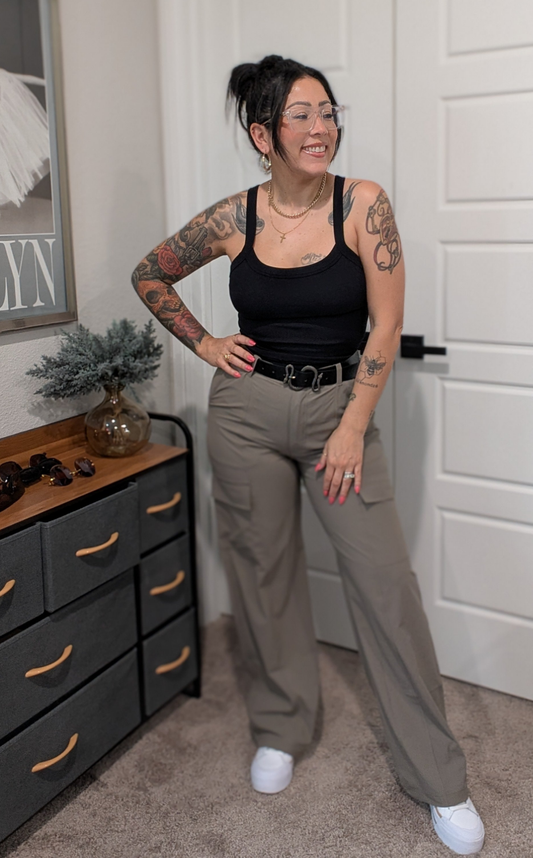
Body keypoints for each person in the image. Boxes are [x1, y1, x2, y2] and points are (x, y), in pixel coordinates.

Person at [132, 55, 484, 856]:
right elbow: (149, 273)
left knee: (384, 587)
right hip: (246, 413)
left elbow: (385, 325)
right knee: (264, 575)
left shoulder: (362, 204)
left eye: (327, 111)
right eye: (300, 114)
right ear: (263, 134)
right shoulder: (234, 217)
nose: (320, 127)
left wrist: (354, 424)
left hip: (338, 410)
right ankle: (281, 726)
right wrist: (205, 343)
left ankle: (439, 779)